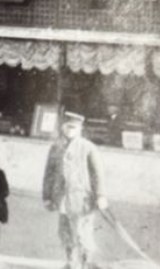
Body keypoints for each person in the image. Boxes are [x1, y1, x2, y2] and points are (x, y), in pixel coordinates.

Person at [42, 114, 106, 269]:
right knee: (65, 232)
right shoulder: (56, 147)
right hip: (62, 198)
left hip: (81, 199)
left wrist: (101, 195)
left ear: (80, 129)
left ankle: (85, 263)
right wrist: (47, 196)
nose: (70, 130)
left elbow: (97, 174)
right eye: (67, 126)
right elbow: (49, 173)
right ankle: (70, 261)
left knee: (82, 233)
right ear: (62, 127)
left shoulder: (88, 147)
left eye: (74, 127)